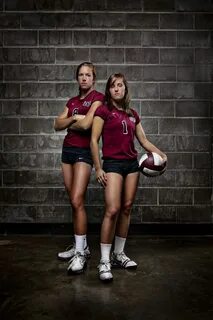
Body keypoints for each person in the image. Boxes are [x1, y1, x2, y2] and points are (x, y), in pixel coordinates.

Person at [90, 73, 167, 282]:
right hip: (113, 163)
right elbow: (94, 140)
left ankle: (118, 255)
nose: (117, 89)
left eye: (120, 85)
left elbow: (143, 140)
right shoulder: (103, 110)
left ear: (125, 89)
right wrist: (98, 168)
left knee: (126, 208)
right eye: (113, 86)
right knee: (112, 209)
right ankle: (104, 261)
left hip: (132, 165)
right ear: (108, 90)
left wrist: (161, 154)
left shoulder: (133, 114)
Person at [54, 62, 104, 274]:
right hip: (68, 152)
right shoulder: (73, 101)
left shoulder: (98, 99)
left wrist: (71, 122)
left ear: (93, 78)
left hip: (84, 153)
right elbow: (56, 124)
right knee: (74, 203)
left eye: (88, 75)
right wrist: (74, 117)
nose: (84, 78)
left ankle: (81, 254)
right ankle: (79, 246)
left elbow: (87, 126)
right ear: (77, 78)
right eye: (81, 75)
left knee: (77, 199)